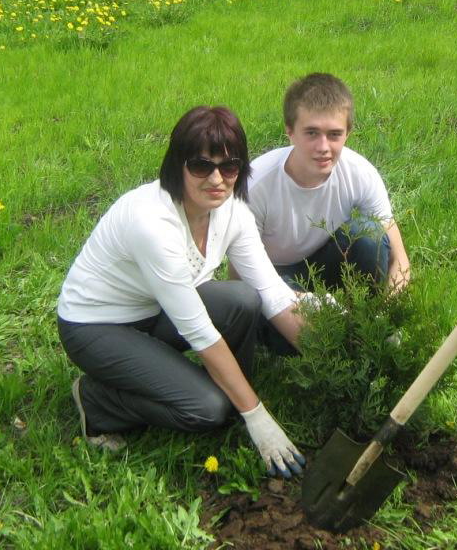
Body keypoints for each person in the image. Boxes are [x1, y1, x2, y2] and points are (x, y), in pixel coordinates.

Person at [56, 106, 306, 478]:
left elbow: (270, 290)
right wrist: (259, 417)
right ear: (178, 166)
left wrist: (327, 354)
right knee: (206, 408)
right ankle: (98, 402)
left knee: (243, 300)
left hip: (155, 310)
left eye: (230, 167)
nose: (217, 179)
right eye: (202, 166)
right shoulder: (153, 224)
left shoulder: (233, 210)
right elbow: (200, 333)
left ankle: (234, 396)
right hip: (96, 327)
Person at [248, 73, 411, 296]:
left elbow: (399, 259)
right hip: (273, 275)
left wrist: (385, 312)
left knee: (369, 234)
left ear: (348, 134)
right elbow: (242, 276)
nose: (323, 146)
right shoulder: (257, 184)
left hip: (330, 263)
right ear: (290, 131)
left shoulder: (360, 173)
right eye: (312, 133)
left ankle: (363, 314)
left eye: (334, 134)